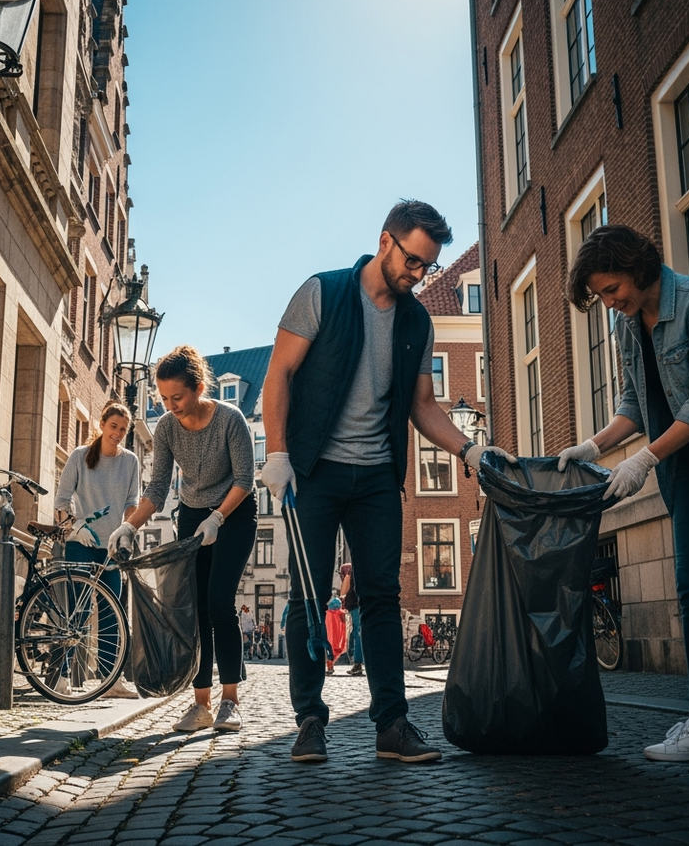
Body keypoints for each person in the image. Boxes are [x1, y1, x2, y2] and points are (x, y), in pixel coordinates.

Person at [261, 199, 514, 763]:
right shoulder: (322, 292)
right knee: (308, 595)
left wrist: (470, 449)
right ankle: (309, 723)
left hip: (377, 475)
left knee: (381, 597)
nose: (418, 276)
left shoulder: (416, 321)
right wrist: (277, 455)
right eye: (413, 261)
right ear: (385, 241)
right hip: (313, 471)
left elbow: (423, 405)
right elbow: (278, 373)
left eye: (428, 267)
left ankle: (392, 726)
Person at [558, 225, 689, 770]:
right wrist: (592, 446)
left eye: (612, 289)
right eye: (602, 295)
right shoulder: (628, 326)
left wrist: (645, 459)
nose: (610, 303)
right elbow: (633, 403)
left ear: (637, 266)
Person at [108, 345, 256, 734]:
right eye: (164, 399)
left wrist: (218, 517)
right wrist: (130, 526)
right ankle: (201, 705)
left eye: (178, 397)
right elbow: (157, 489)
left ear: (199, 388)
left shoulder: (230, 419)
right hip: (192, 517)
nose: (170, 405)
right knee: (194, 611)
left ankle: (230, 702)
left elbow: (245, 479)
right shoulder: (168, 428)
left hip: (234, 514)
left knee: (220, 603)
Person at [54, 400, 140, 699]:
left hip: (111, 549)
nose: (118, 433)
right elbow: (62, 500)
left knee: (110, 612)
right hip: (80, 545)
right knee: (76, 612)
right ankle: (62, 677)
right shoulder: (80, 457)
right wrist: (74, 527)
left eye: (123, 429)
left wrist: (126, 532)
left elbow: (132, 502)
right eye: (113, 427)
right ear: (102, 425)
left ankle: (111, 681)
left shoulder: (130, 461)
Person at [340, 563, 364, 676]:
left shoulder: (351, 574)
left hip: (356, 606)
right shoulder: (358, 571)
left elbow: (345, 591)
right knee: (357, 632)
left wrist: (345, 599)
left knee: (359, 633)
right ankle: (358, 660)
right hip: (358, 605)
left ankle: (358, 663)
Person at [324, 592, 346, 675]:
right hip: (338, 639)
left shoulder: (327, 614)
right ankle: (330, 665)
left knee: (329, 651)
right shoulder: (342, 614)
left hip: (329, 637)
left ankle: (330, 666)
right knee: (334, 651)